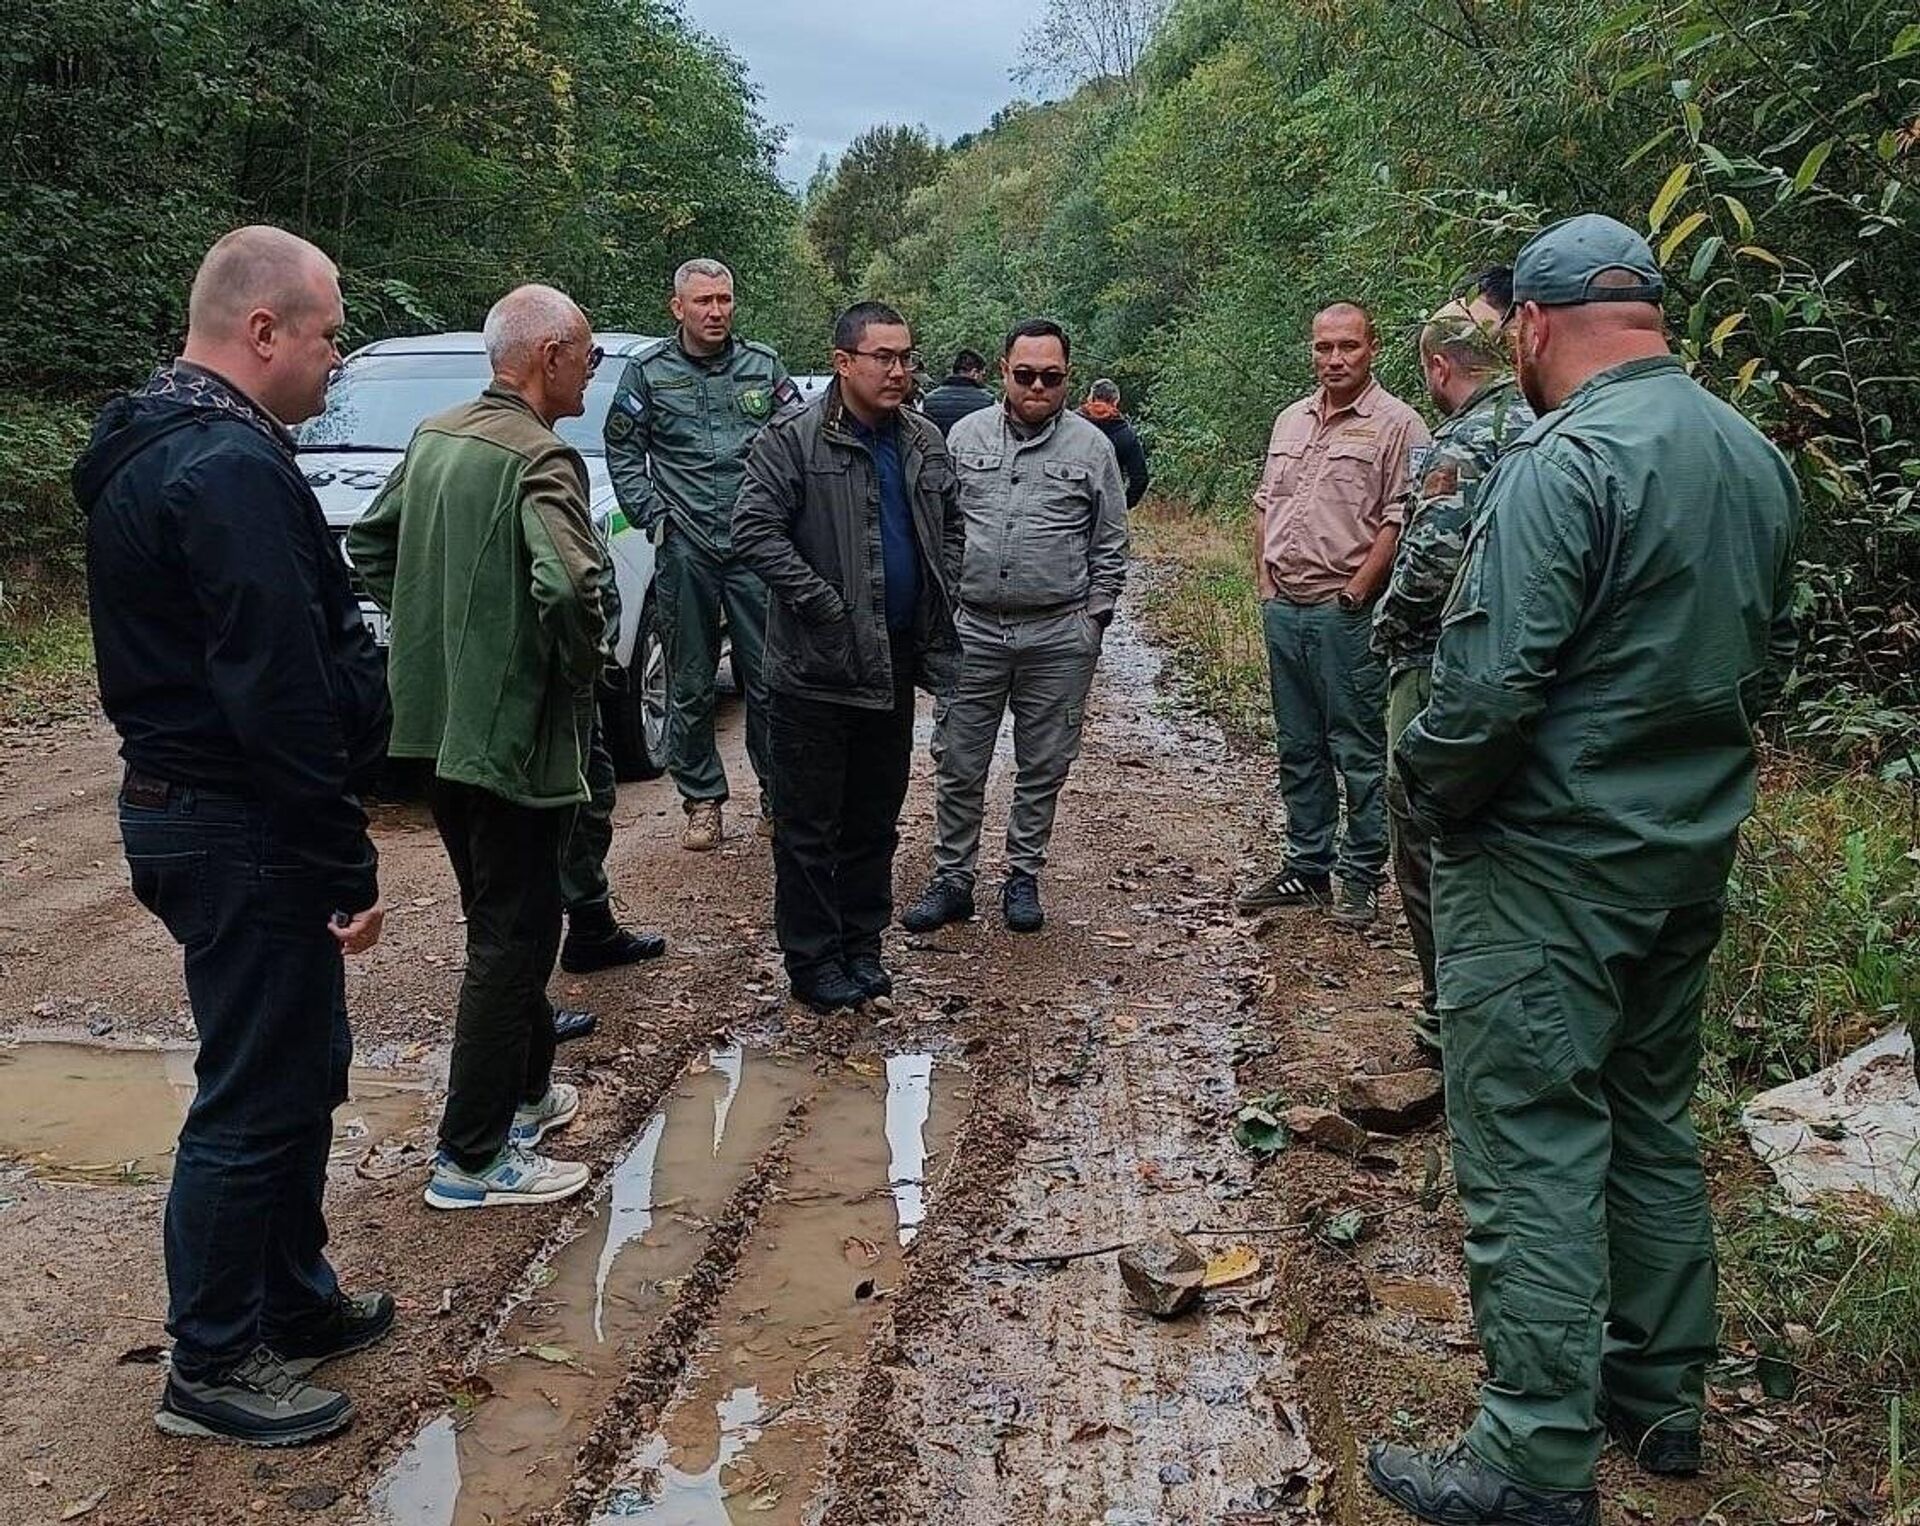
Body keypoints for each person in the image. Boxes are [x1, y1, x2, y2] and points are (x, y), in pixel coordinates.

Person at [1367, 216, 1800, 1526]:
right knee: (1650, 1118)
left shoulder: (1565, 460)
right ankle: (1659, 1398)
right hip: (1683, 852)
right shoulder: (1752, 456)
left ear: (1533, 326)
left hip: (1547, 866)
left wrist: (1424, 792)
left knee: (1532, 1140)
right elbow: (1758, 666)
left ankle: (1531, 1455)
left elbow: (1485, 690)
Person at [77, 225, 392, 1446]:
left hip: (209, 810)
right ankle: (210, 1361)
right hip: (235, 817)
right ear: (263, 330)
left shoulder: (175, 441)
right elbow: (277, 684)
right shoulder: (223, 465)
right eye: (328, 334)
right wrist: (342, 854)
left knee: (299, 1065)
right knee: (256, 1092)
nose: (337, 357)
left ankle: (289, 1298)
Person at [350, 284, 605, 1212]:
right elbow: (571, 589)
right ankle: (472, 1157)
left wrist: (438, 637)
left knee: (502, 914)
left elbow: (371, 547)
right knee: (515, 934)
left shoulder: (437, 435)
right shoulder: (541, 456)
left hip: (434, 728)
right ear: (549, 356)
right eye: (586, 356)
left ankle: (528, 1095)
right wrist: (573, 673)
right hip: (511, 740)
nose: (591, 373)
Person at [732, 302, 963, 1012]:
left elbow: (952, 523)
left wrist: (942, 585)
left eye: (906, 357)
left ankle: (863, 945)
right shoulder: (793, 440)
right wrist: (825, 604)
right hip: (814, 670)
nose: (898, 371)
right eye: (882, 357)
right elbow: (754, 530)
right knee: (808, 827)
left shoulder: (922, 440)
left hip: (893, 663)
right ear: (842, 363)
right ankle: (812, 960)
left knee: (873, 819)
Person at [901, 319, 1128, 936]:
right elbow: (938, 528)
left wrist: (1094, 620)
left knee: (1043, 764)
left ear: (1067, 378)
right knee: (959, 759)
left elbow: (1110, 542)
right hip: (972, 629)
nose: (1037, 387)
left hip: (1057, 635)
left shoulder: (1092, 448)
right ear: (1003, 372)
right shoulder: (964, 436)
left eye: (1051, 377)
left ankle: (1022, 876)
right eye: (1024, 374)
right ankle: (953, 879)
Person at [1371, 281, 1533, 1051]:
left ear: (1439, 368)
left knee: (1420, 819)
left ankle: (1448, 1015)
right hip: (1533, 665)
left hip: (1445, 664)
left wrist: (1390, 625)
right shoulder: (1553, 420)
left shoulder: (1465, 440)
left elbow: (1431, 558)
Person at [1236, 302, 1430, 928]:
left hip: (1344, 613)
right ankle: (1307, 866)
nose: (1335, 359)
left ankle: (1361, 875)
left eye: (1348, 346)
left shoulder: (1399, 425)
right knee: (1298, 743)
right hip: (1284, 607)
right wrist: (1265, 581)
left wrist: (1356, 593)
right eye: (1324, 347)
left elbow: (1401, 518)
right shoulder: (1290, 420)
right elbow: (1265, 502)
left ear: (1373, 348)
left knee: (1358, 748)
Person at [604, 258, 796, 850]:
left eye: (724, 300)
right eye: (703, 301)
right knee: (690, 680)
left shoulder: (762, 365)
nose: (716, 311)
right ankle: (703, 801)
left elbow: (796, 441)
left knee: (769, 677)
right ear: (678, 307)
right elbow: (622, 450)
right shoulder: (648, 373)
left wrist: (786, 514)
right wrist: (652, 514)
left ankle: (778, 798)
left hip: (754, 546)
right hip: (687, 545)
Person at [555, 541, 667, 1001]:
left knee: (593, 789)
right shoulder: (534, 490)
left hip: (573, 675)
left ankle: (592, 926)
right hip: (547, 673)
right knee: (550, 812)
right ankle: (520, 1001)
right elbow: (567, 586)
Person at [1079, 377, 1151, 508]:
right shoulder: (1126, 435)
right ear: (1115, 402)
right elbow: (1140, 478)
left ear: (1091, 398)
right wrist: (1123, 505)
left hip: (1071, 504)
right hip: (1108, 505)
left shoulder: (1070, 425)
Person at [922, 348, 996, 437]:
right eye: (982, 375)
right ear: (974, 373)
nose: (983, 379)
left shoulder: (928, 400)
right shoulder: (988, 401)